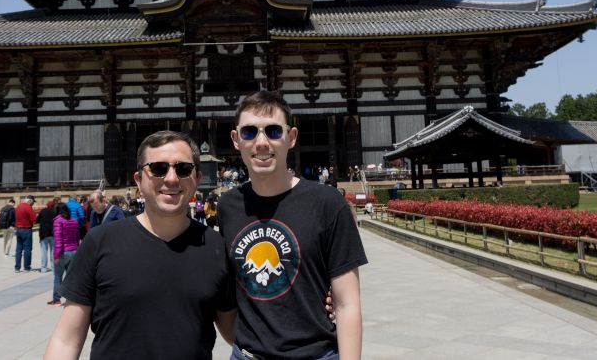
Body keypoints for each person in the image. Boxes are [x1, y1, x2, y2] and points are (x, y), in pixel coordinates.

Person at [45, 130, 236, 359]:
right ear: (138, 180)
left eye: (183, 169)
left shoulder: (215, 247)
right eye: (158, 168)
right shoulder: (99, 242)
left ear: (197, 178)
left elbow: (234, 331)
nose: (171, 179)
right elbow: (66, 341)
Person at [220, 91, 367, 360]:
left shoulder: (328, 203)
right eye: (250, 132)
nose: (261, 142)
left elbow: (347, 304)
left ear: (291, 137)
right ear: (236, 139)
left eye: (274, 131)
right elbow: (229, 290)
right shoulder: (227, 206)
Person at [48, 202, 80, 306]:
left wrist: (56, 255)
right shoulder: (74, 221)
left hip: (62, 252)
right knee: (71, 277)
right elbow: (77, 238)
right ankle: (73, 298)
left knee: (58, 277)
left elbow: (58, 240)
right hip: (73, 251)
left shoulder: (58, 221)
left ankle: (56, 299)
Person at [14, 195, 36, 273]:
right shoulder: (28, 207)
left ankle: (17, 267)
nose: (33, 204)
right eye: (33, 202)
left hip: (18, 229)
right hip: (26, 229)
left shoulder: (18, 206)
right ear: (30, 201)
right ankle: (26, 267)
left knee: (18, 249)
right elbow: (34, 219)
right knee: (27, 249)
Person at [36, 199, 57, 274]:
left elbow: (37, 220)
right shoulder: (55, 211)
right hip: (53, 233)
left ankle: (43, 268)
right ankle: (54, 268)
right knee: (53, 251)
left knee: (44, 251)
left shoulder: (43, 211)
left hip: (43, 233)